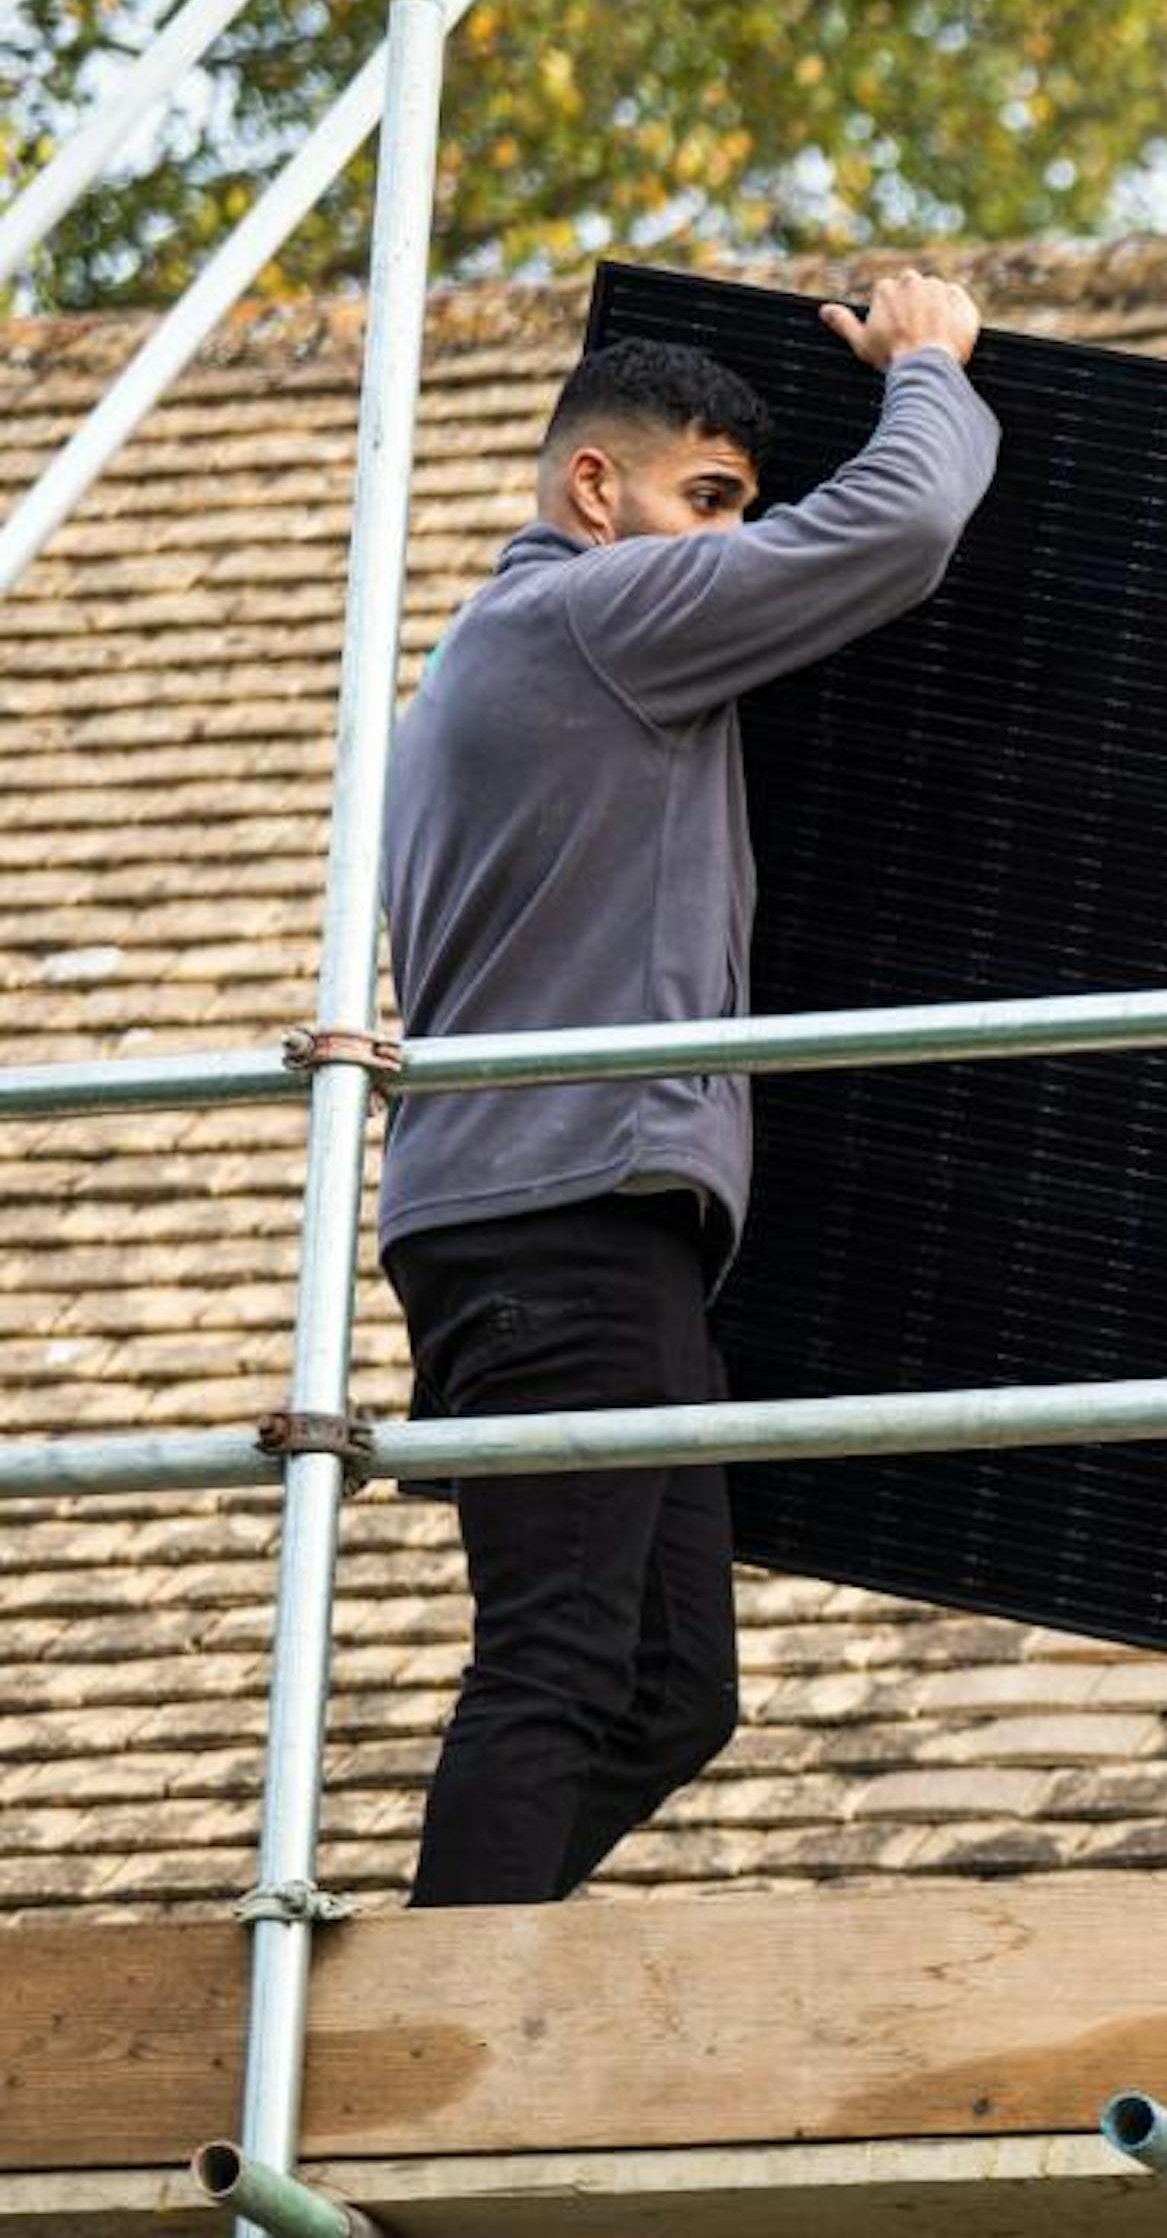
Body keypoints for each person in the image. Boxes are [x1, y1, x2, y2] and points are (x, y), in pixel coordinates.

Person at [377, 273, 999, 1903]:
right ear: (599, 490)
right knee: (562, 1659)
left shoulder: (508, 666)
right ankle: (420, 2068)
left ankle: (453, 1982)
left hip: (567, 1217)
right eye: (707, 502)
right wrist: (927, 367)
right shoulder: (592, 618)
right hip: (556, 1217)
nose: (729, 546)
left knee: (670, 1693)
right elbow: (901, 529)